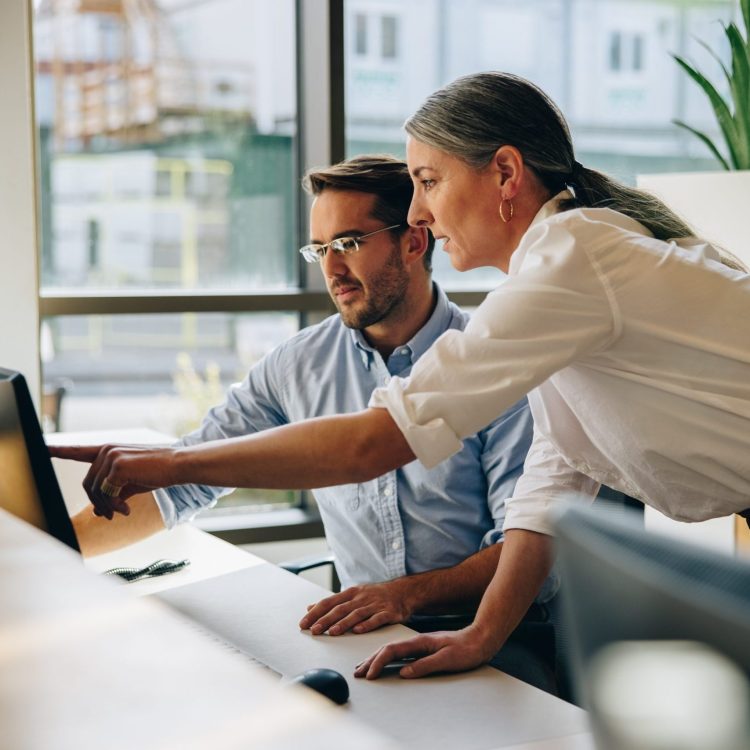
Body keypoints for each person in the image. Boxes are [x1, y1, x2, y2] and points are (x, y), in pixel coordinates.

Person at [53, 72, 750, 683]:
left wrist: (171, 462)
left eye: (429, 181)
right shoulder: (555, 283)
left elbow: (373, 444)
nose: (419, 212)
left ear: (506, 175)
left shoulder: (569, 261)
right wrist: (481, 636)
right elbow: (554, 479)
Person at [65, 154, 560, 689]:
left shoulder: (494, 361)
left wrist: (402, 595)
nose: (331, 270)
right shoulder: (298, 365)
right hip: (361, 634)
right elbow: (182, 483)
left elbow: (527, 546)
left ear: (414, 242)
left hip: (493, 635)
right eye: (319, 249)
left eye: (347, 244)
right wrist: (55, 554)